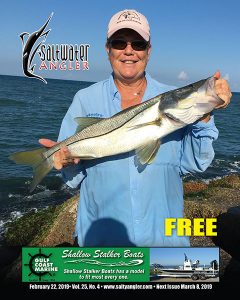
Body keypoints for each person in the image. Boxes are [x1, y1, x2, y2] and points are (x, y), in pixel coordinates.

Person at [39, 9, 232, 247]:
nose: (128, 50)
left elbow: (196, 164)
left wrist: (205, 110)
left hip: (164, 243)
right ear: (108, 49)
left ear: (148, 51)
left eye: (138, 44)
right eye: (119, 42)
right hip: (102, 247)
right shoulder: (85, 99)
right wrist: (63, 161)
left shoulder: (172, 101)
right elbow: (72, 179)